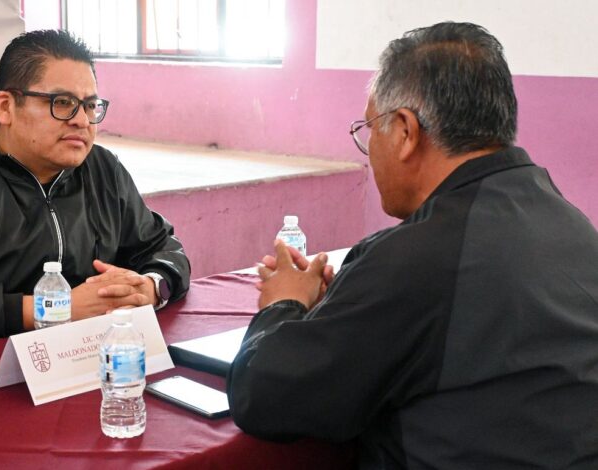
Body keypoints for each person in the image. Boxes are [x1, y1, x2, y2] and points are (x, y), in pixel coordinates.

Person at [227, 22, 598, 468]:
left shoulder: (418, 258)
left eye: (370, 129)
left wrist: (282, 303)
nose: (369, 148)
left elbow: (265, 396)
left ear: (405, 131)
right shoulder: (571, 224)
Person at [0, 30, 190, 338]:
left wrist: (151, 287)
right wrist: (55, 308)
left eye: (90, 105)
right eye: (62, 102)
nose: (82, 121)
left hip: (93, 353)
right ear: (5, 107)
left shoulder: (102, 168)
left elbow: (163, 248)